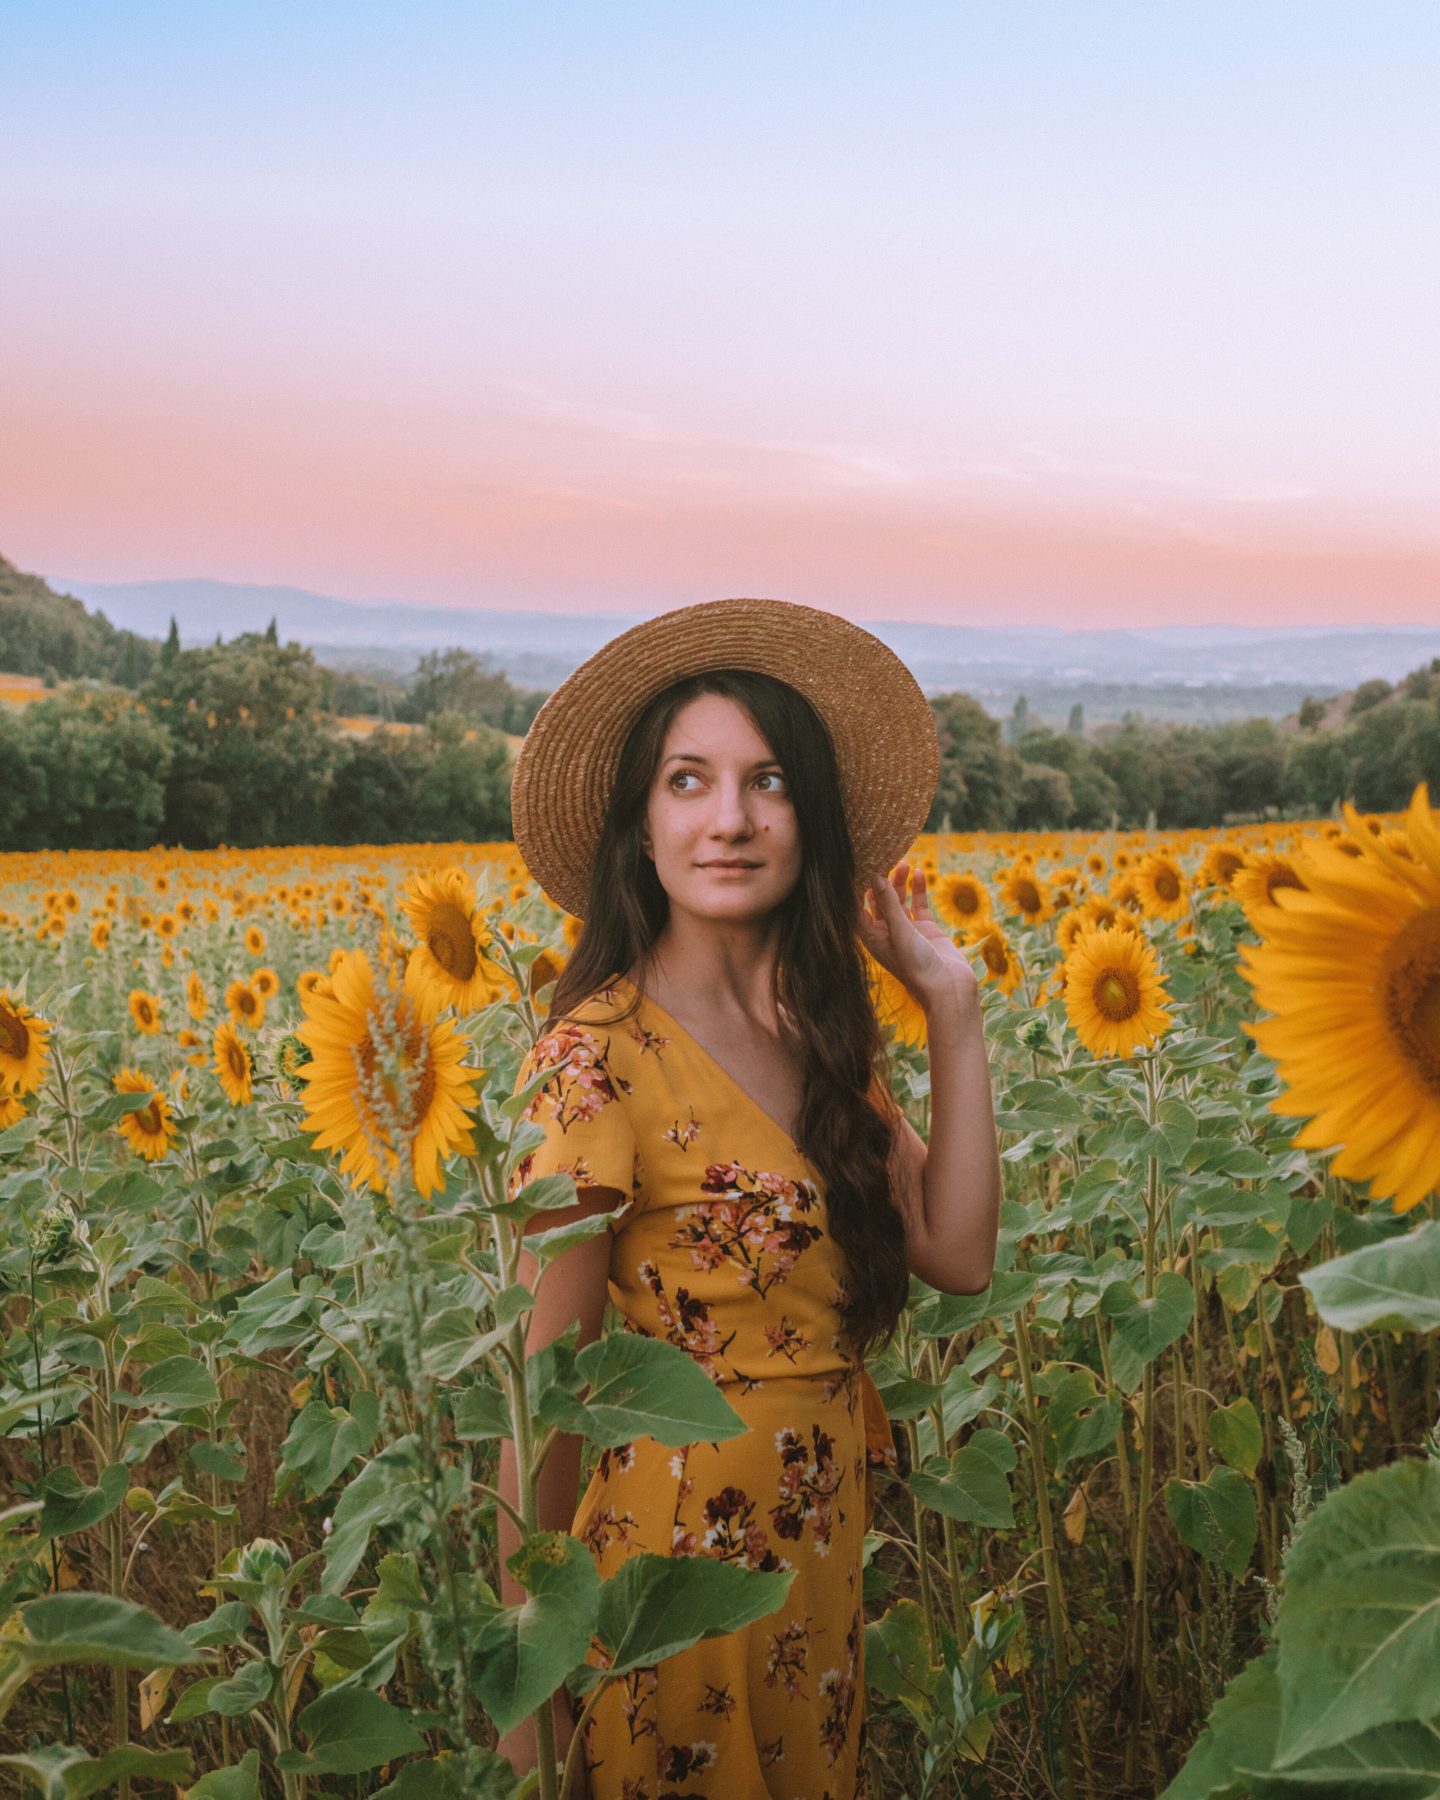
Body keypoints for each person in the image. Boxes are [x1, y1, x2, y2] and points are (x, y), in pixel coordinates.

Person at [496, 597, 1002, 1798]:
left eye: (767, 781)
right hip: (675, 1565)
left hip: (817, 1552)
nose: (730, 819)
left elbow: (959, 1250)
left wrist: (954, 1011)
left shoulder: (817, 1033)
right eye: (688, 781)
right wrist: (526, 1693)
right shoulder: (590, 1059)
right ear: (639, 823)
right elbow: (546, 1403)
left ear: (809, 820)